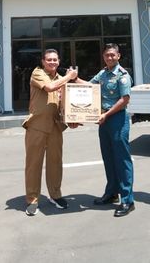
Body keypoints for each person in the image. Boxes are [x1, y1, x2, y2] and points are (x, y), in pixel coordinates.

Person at [23, 49, 78, 216]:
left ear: (59, 61)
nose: (52, 62)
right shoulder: (37, 73)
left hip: (55, 126)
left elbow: (68, 100)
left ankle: (55, 194)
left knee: (55, 162)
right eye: (49, 60)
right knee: (34, 165)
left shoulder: (60, 78)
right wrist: (70, 77)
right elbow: (49, 88)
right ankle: (32, 199)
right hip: (37, 126)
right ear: (43, 61)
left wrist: (73, 117)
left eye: (55, 59)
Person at [88, 43, 135, 217]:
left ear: (118, 56)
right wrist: (72, 79)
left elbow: (124, 100)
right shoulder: (103, 73)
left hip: (117, 120)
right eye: (107, 55)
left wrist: (106, 114)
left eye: (112, 55)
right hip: (104, 121)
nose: (109, 58)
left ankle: (127, 200)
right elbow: (88, 86)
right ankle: (112, 193)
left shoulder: (122, 75)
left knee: (122, 160)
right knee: (108, 158)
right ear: (103, 57)